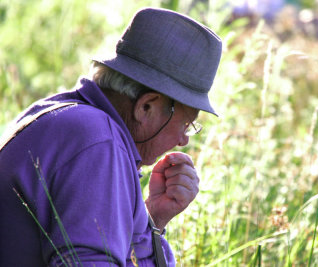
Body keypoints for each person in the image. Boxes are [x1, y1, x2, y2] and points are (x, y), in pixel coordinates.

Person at [0, 7, 222, 267]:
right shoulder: (97, 141)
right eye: (186, 123)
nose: (184, 140)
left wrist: (154, 217)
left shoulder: (71, 119)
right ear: (146, 107)